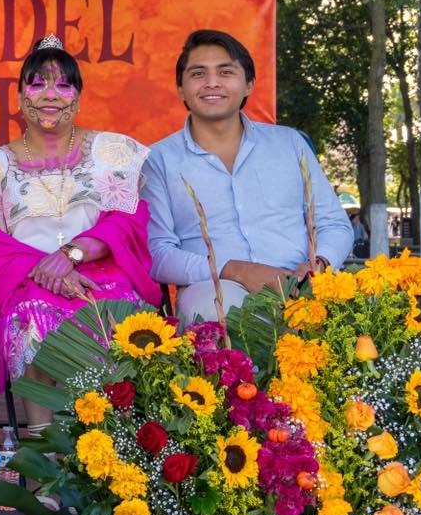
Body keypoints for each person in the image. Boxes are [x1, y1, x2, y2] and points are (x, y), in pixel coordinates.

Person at [0, 36, 160, 424]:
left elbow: (129, 221)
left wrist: (71, 256)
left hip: (104, 276)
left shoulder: (114, 151)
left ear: (78, 94)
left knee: (116, 322)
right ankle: (46, 463)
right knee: (33, 322)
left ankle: (111, 450)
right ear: (21, 95)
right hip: (26, 281)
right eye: (37, 83)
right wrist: (47, 271)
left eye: (62, 84)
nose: (49, 95)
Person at [143, 29, 351, 323]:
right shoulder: (158, 160)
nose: (212, 83)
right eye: (198, 73)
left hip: (303, 283)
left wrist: (319, 263)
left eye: (226, 72)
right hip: (218, 289)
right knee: (214, 307)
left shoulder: (289, 144)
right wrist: (232, 270)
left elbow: (333, 224)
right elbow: (157, 253)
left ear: (249, 84)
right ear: (180, 89)